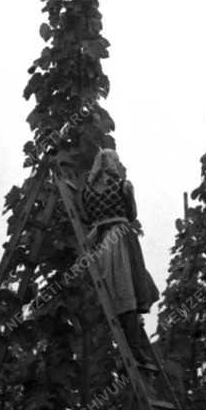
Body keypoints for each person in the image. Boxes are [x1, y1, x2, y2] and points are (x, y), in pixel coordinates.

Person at [79, 149, 160, 369]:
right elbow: (132, 214)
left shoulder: (87, 192)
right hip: (122, 240)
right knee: (129, 290)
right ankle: (135, 348)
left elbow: (86, 217)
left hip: (102, 243)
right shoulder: (123, 186)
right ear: (113, 164)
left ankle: (131, 343)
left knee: (119, 289)